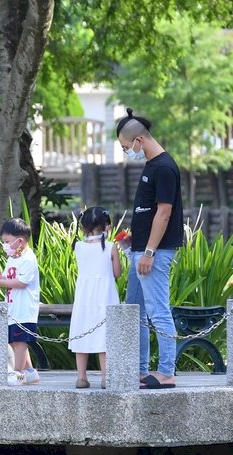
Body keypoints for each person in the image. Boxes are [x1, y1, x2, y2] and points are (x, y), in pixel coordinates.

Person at [117, 109, 183, 389]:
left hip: (154, 254)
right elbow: (149, 211)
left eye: (125, 147)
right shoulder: (151, 165)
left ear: (139, 140)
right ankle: (141, 369)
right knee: (135, 310)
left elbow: (164, 213)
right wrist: (136, 240)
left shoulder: (165, 167)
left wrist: (149, 252)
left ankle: (166, 371)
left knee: (158, 311)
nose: (125, 152)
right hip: (141, 249)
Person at [68, 207, 121, 389]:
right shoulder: (111, 247)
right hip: (105, 294)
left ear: (83, 227)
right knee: (105, 334)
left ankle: (81, 377)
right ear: (107, 226)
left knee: (82, 331)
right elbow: (117, 273)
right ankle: (106, 377)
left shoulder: (78, 246)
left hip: (84, 295)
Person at [0, 218, 41, 386]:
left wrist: (2, 282)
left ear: (20, 241)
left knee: (20, 342)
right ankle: (30, 373)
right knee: (13, 341)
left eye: (7, 242)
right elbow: (10, 278)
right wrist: (0, 277)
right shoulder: (13, 257)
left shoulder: (28, 259)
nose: (4, 245)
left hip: (24, 309)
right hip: (13, 308)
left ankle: (17, 373)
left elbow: (22, 283)